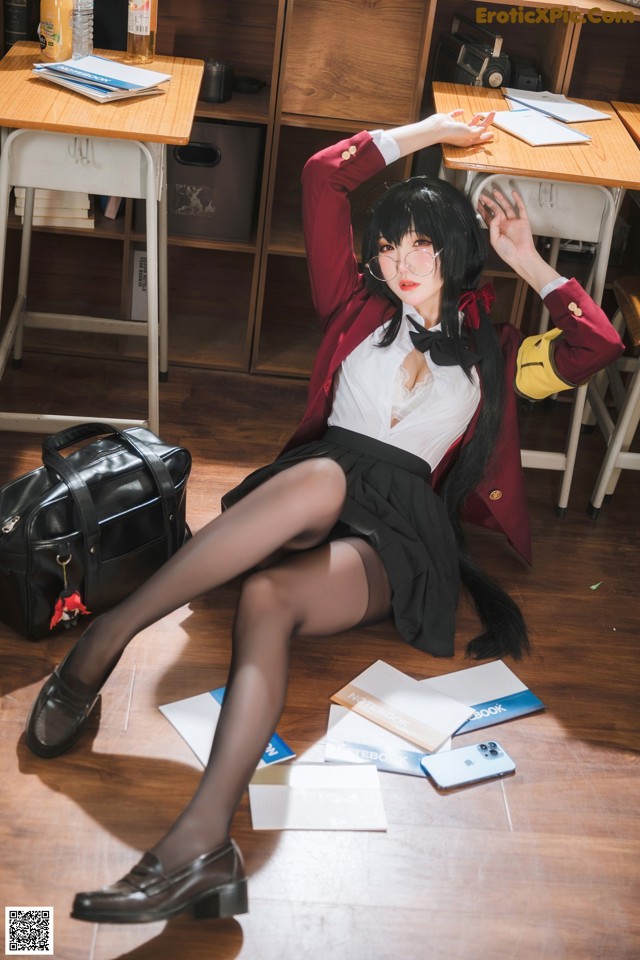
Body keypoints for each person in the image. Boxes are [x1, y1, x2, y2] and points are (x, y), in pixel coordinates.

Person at [24, 111, 624, 925]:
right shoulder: (354, 306)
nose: (400, 262)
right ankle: (107, 638)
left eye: (420, 245)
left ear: (454, 250)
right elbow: (321, 176)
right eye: (388, 245)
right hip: (309, 492)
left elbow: (595, 349)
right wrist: (434, 129)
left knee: (269, 599)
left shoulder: (496, 353)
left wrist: (528, 259)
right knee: (319, 482)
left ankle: (202, 844)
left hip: (397, 539)